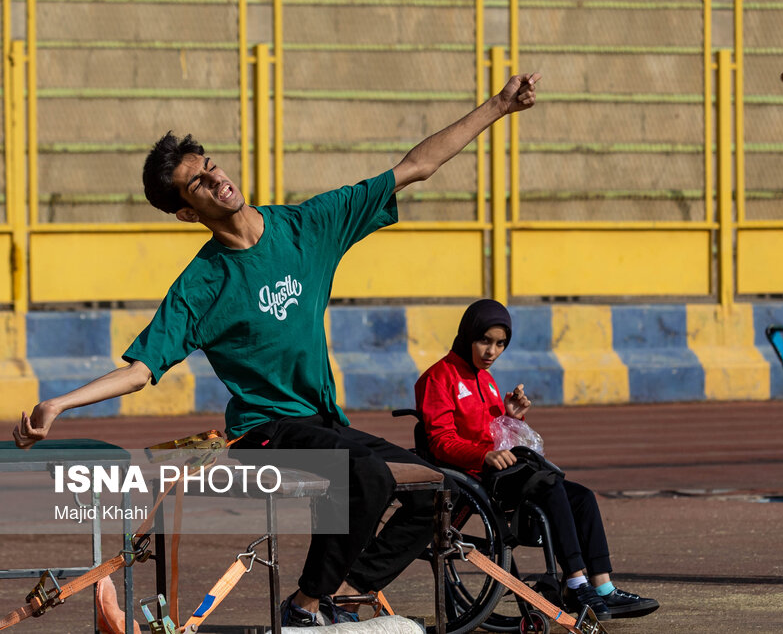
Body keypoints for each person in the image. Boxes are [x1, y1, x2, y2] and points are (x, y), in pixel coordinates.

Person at [12, 72, 541, 627]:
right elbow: (142, 369)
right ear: (188, 214)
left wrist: (499, 106)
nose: (215, 179)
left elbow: (414, 168)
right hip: (263, 430)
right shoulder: (203, 283)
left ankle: (342, 590)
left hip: (323, 421)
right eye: (196, 184)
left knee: (438, 491)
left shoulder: (307, 226)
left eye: (210, 165)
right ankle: (303, 608)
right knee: (369, 477)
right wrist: (58, 405)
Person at [414, 299, 659, 621]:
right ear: (467, 336)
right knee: (549, 487)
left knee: (582, 497)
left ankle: (602, 587)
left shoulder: (484, 379)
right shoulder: (439, 378)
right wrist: (484, 455)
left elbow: (491, 431)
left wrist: (511, 416)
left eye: (500, 344)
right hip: (474, 476)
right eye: (484, 341)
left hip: (498, 470)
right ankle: (575, 581)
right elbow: (441, 442)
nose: (491, 351)